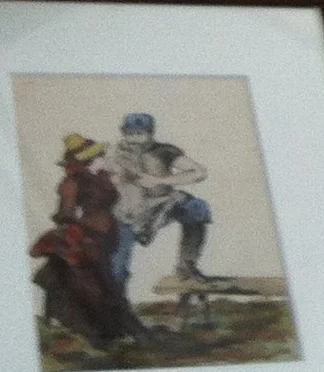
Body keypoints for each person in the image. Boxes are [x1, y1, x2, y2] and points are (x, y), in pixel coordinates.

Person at [28, 136, 144, 349]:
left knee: (104, 285)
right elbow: (66, 213)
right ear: (87, 160)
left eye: (100, 154)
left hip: (106, 236)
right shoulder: (71, 182)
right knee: (98, 287)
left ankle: (119, 332)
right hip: (87, 238)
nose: (102, 158)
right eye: (98, 155)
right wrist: (80, 229)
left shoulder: (101, 178)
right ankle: (106, 335)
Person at [108, 113, 218, 283]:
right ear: (123, 132)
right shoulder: (113, 153)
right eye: (130, 133)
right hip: (126, 214)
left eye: (139, 134)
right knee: (116, 272)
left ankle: (186, 266)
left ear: (150, 133)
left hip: (160, 207)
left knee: (196, 208)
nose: (134, 138)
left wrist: (160, 180)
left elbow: (199, 172)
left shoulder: (163, 151)